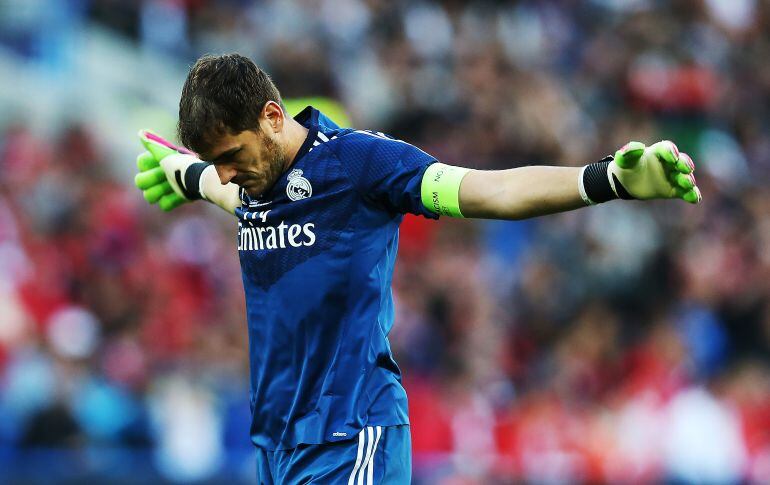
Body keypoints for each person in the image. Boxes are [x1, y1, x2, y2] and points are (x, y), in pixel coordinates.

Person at [134, 53, 700, 484]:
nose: (227, 175)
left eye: (232, 156)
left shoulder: (359, 164)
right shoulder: (252, 185)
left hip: (350, 435)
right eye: (216, 163)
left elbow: (493, 191)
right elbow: (216, 187)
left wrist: (609, 180)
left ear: (273, 117)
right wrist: (185, 173)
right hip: (277, 446)